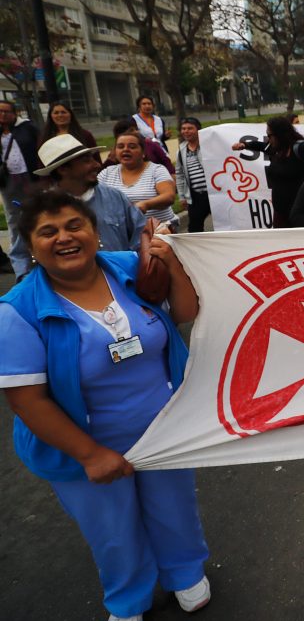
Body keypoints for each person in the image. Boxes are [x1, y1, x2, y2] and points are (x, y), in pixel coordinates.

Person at [0, 190, 211, 620]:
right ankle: (128, 597)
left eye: (74, 225)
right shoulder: (17, 311)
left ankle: (185, 573)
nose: (64, 237)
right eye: (48, 232)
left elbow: (185, 312)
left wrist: (169, 261)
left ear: (95, 232)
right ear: (32, 248)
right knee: (113, 531)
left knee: (175, 510)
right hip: (84, 450)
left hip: (161, 430)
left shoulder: (131, 268)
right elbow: (28, 401)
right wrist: (91, 454)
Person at [32, 134, 145, 253]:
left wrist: (134, 265)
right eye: (86, 161)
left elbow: (142, 235)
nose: (97, 165)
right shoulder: (41, 208)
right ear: (63, 170)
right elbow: (23, 254)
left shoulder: (114, 197)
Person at [231, 116, 304, 228]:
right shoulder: (275, 149)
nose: (268, 139)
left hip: (300, 213)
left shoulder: (301, 149)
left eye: (270, 135)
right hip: (280, 213)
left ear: (280, 134)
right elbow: (261, 146)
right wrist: (245, 145)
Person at [99, 131, 177, 229]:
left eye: (132, 147)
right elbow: (93, 199)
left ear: (143, 152)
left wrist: (145, 205)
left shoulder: (157, 170)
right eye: (120, 146)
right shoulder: (106, 173)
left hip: (158, 233)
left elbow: (169, 196)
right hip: (121, 233)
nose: (126, 150)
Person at [0, 98, 42, 277]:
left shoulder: (27, 128)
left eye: (6, 111)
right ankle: (21, 264)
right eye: (0, 112)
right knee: (14, 218)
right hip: (9, 181)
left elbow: (40, 148)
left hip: (31, 179)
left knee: (37, 213)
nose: (3, 115)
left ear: (14, 113)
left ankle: (39, 253)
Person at [174, 117, 210, 233]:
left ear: (198, 130)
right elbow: (179, 175)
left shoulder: (207, 145)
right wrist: (182, 196)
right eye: (183, 129)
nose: (186, 131)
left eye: (190, 128)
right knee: (194, 228)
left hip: (213, 193)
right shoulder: (181, 151)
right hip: (195, 196)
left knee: (223, 224)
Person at [104, 119, 174, 175]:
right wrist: (111, 160)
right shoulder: (116, 152)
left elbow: (165, 162)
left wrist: (172, 175)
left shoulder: (150, 144)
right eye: (131, 130)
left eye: (136, 129)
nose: (136, 132)